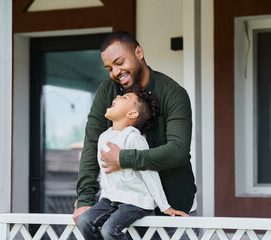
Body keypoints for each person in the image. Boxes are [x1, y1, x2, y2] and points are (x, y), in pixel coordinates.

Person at [74, 31, 197, 238]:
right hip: (121, 211)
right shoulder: (107, 92)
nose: (115, 72)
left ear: (139, 52)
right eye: (109, 68)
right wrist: (85, 198)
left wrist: (123, 158)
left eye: (119, 62)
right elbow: (92, 144)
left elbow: (178, 151)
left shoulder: (174, 93)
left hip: (173, 210)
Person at [78, 88, 188, 239]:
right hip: (110, 199)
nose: (117, 96)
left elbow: (149, 173)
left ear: (132, 114)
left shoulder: (133, 138)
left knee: (109, 230)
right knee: (85, 221)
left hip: (135, 201)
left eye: (125, 98)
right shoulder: (104, 136)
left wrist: (165, 206)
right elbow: (104, 173)